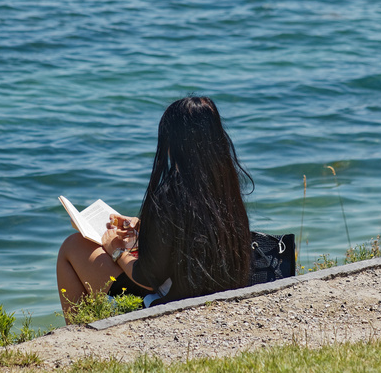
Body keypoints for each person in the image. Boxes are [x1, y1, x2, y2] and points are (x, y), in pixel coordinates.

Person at [56, 95, 253, 321]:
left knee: (71, 247)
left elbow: (147, 277)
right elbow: (193, 234)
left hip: (171, 306)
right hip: (214, 291)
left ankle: (80, 334)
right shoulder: (224, 182)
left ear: (172, 142)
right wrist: (144, 227)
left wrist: (116, 250)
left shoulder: (171, 192)